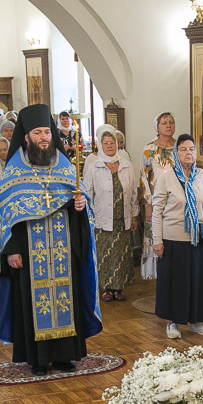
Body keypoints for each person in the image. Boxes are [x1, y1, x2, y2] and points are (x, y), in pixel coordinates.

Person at [0, 104, 102, 375]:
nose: (44, 137)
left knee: (65, 298)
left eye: (47, 132)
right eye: (37, 133)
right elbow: (4, 215)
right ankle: (36, 359)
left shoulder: (64, 165)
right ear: (26, 137)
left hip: (62, 250)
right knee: (32, 303)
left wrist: (80, 206)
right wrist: (11, 250)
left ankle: (64, 355)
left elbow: (78, 201)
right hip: (28, 252)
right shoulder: (15, 170)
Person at [152, 134, 203, 338]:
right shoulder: (167, 177)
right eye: (183, 149)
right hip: (173, 240)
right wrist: (157, 240)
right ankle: (172, 322)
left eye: (191, 149)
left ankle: (196, 321)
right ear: (176, 153)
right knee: (175, 283)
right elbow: (157, 210)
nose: (188, 153)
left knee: (197, 281)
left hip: (198, 239)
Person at [83, 129, 139, 302]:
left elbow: (133, 192)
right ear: (100, 145)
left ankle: (119, 287)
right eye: (105, 143)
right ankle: (106, 289)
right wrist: (88, 218)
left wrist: (134, 215)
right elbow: (87, 194)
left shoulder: (126, 165)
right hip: (102, 220)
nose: (109, 146)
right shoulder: (94, 167)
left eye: (112, 143)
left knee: (122, 255)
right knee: (105, 255)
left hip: (122, 219)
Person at [140, 112, 177, 278]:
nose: (168, 125)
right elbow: (144, 177)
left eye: (171, 122)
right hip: (156, 201)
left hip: (176, 201)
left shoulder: (180, 146)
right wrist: (148, 205)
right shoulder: (149, 149)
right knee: (156, 235)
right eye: (164, 123)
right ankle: (157, 275)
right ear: (157, 127)